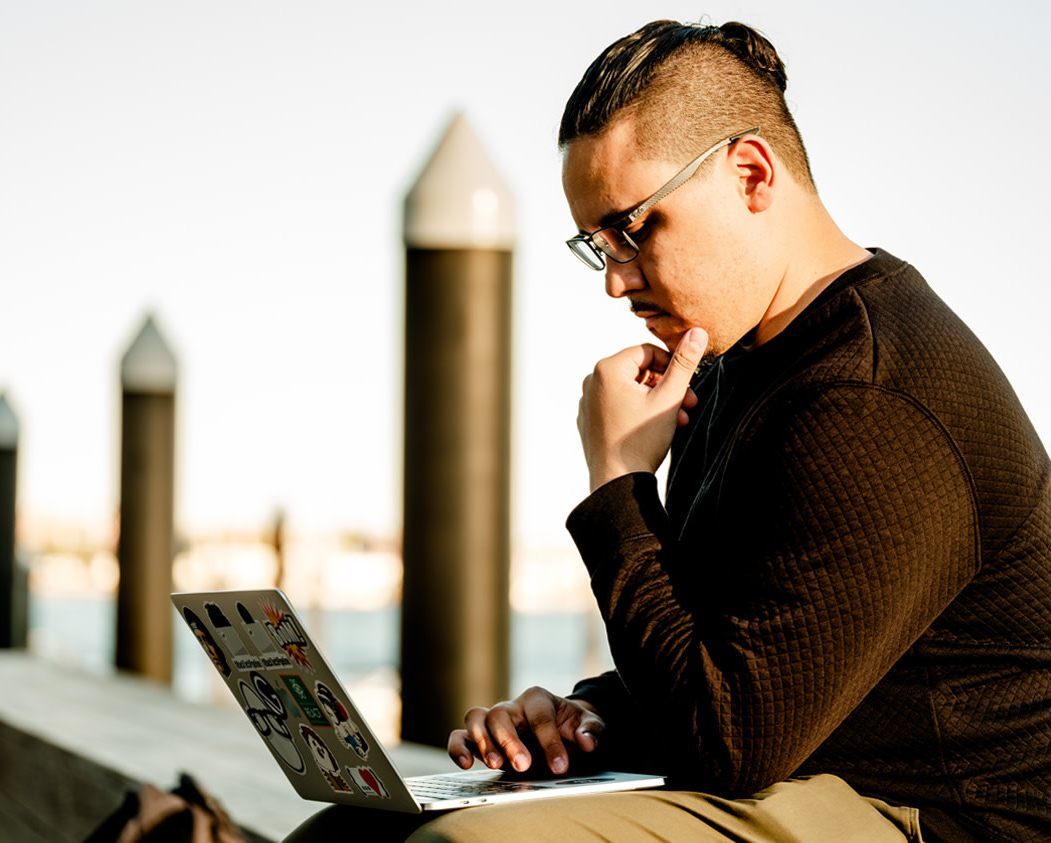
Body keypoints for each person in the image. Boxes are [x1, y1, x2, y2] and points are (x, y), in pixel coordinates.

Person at [286, 20, 1051, 843]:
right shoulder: (728, 367)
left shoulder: (871, 394)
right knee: (349, 830)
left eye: (635, 227)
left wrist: (618, 483)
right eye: (596, 245)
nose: (615, 280)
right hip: (798, 774)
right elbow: (732, 656)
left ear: (751, 174)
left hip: (939, 821)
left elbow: (731, 741)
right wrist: (586, 714)